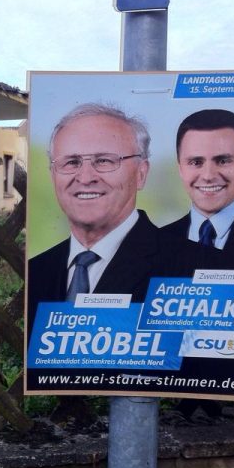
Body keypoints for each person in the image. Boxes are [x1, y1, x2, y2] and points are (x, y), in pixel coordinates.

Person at [27, 103, 187, 331]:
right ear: (53, 175)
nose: (85, 177)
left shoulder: (192, 268)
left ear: (141, 173)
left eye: (104, 161)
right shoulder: (35, 271)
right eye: (71, 162)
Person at [161, 109, 234, 277]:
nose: (208, 176)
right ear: (180, 168)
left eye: (223, 161)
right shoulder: (160, 240)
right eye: (196, 162)